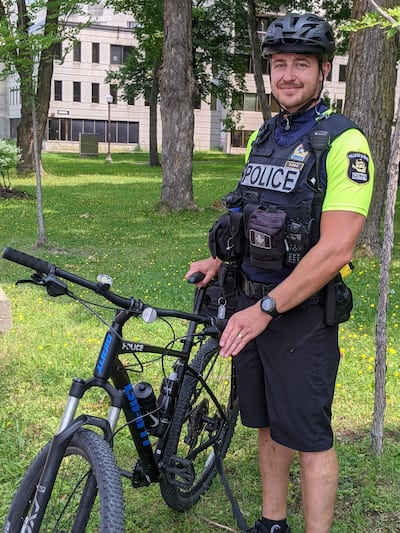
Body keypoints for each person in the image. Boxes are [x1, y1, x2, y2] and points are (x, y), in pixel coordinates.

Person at [185, 12, 374, 533]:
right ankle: (272, 523)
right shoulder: (265, 136)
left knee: (309, 435)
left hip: (300, 317)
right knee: (266, 425)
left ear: (323, 71)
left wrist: (269, 309)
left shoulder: (343, 144)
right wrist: (218, 261)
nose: (288, 75)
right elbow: (247, 214)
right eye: (280, 64)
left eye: (301, 65)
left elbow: (336, 249)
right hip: (250, 305)